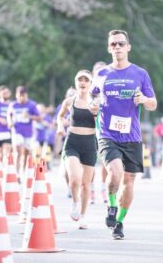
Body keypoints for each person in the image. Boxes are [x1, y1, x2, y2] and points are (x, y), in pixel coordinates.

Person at [90, 30, 157, 239]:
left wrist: (144, 100)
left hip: (132, 136)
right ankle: (110, 206)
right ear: (109, 48)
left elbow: (153, 104)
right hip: (108, 134)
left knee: (129, 181)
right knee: (115, 173)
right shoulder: (101, 74)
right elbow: (92, 97)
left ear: (128, 47)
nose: (117, 47)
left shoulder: (140, 74)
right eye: (113, 44)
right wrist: (92, 106)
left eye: (121, 44)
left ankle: (119, 222)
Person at [57, 70, 97, 229]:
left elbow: (102, 122)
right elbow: (60, 116)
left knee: (86, 184)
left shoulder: (96, 103)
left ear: (90, 84)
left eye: (86, 80)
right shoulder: (69, 101)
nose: (83, 82)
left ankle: (83, 216)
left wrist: (97, 114)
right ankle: (75, 203)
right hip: (72, 141)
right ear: (76, 83)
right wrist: (60, 127)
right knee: (74, 178)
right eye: (80, 79)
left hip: (89, 144)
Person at [7, 86, 40, 181]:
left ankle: (23, 172)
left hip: (28, 133)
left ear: (26, 95)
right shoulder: (13, 105)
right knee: (17, 151)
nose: (22, 98)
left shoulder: (32, 105)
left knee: (26, 153)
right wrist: (9, 122)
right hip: (17, 131)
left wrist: (29, 116)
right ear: (16, 95)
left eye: (23, 95)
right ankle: (16, 174)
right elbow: (9, 115)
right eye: (20, 95)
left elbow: (39, 118)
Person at [90, 61, 108, 205]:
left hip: (104, 130)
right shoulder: (88, 89)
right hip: (90, 130)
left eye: (103, 70)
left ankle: (103, 189)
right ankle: (90, 190)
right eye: (98, 71)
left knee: (104, 162)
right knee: (90, 162)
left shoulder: (109, 89)